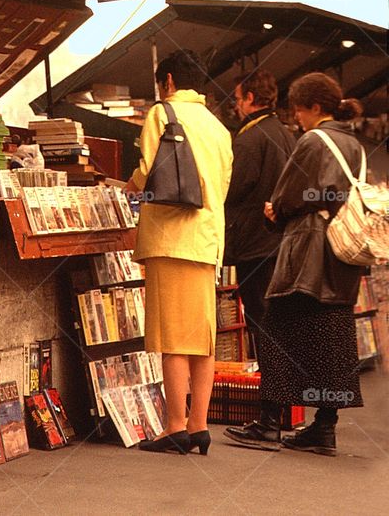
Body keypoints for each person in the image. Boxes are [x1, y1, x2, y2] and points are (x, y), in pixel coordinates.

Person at [253, 72, 366, 456]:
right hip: (342, 257)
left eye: (299, 109)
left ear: (314, 107)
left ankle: (269, 424)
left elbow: (286, 196)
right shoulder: (355, 145)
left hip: (307, 256)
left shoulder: (315, 140)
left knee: (277, 331)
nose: (296, 117)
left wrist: (274, 210)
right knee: (332, 341)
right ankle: (324, 427)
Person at [126, 50, 232, 454]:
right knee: (201, 339)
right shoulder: (219, 128)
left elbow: (149, 167)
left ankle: (174, 427)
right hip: (208, 240)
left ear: (167, 81)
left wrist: (128, 186)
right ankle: (199, 425)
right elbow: (221, 187)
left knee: (173, 337)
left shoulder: (162, 113)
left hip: (172, 238)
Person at [222, 70, 297, 450]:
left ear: (251, 97)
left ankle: (268, 419)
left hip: (254, 243)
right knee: (278, 329)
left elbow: (235, 188)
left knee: (261, 327)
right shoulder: (286, 133)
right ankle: (280, 414)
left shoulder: (250, 138)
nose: (235, 105)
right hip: (282, 244)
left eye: (238, 98)